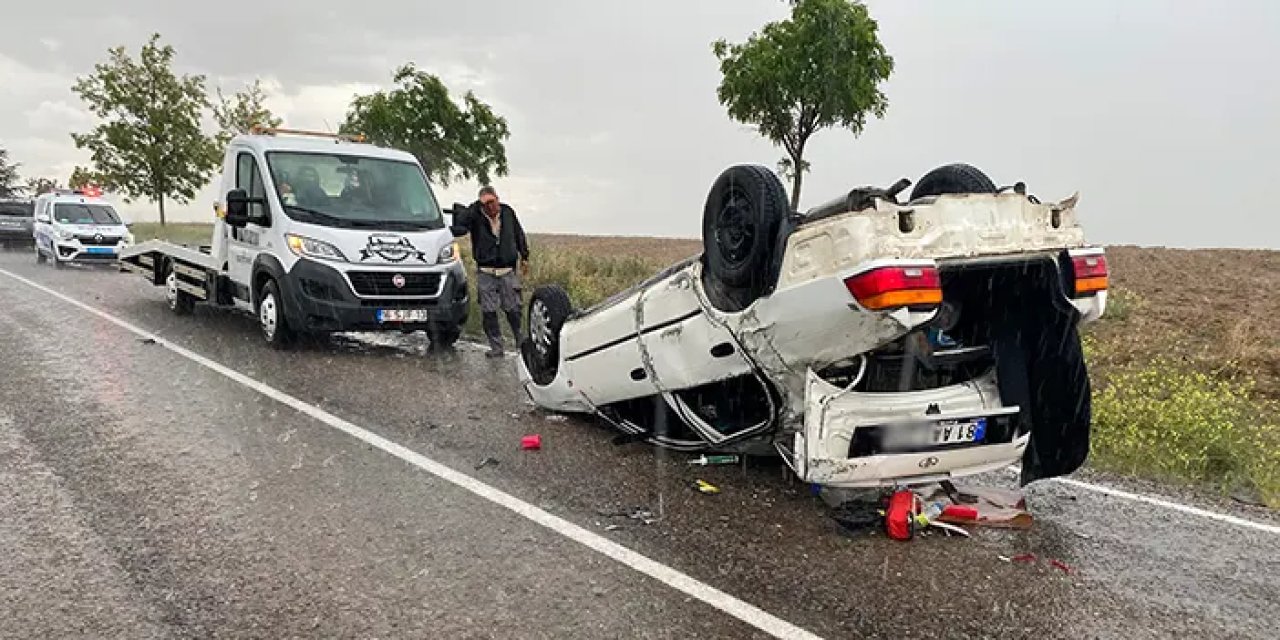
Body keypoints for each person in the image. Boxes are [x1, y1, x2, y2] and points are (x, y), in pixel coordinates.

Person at [451, 185, 530, 357]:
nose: (490, 207)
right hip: (486, 271)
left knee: (513, 309)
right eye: (485, 203)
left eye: (492, 202)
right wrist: (473, 207)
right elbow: (459, 228)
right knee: (488, 311)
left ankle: (520, 342)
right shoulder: (475, 216)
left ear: (498, 199)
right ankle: (497, 347)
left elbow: (518, 234)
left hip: (507, 270)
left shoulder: (508, 213)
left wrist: (524, 256)